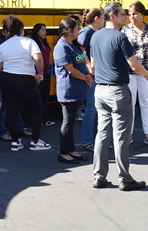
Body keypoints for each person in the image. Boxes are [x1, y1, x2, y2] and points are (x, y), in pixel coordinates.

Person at [89, 2, 148, 191]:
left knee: (102, 135)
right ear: (113, 16)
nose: (126, 17)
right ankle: (125, 178)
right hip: (118, 90)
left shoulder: (94, 36)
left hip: (100, 90)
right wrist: (147, 75)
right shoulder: (120, 37)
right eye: (123, 14)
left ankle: (99, 176)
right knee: (121, 136)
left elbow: (92, 67)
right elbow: (134, 65)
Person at [0, 15, 50, 151]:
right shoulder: (29, 42)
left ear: (7, 31)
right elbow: (38, 59)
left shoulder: (2, 46)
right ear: (22, 30)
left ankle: (15, 141)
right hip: (25, 79)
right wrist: (40, 74)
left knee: (12, 111)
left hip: (7, 79)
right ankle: (35, 141)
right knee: (37, 109)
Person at [122, 2, 148, 146]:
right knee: (130, 104)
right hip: (130, 73)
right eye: (129, 14)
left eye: (134, 13)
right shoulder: (124, 30)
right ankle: (130, 135)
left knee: (146, 103)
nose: (131, 17)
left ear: (142, 14)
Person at [54, 17, 91, 164]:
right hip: (68, 90)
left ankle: (71, 150)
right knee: (67, 121)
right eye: (77, 28)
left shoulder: (74, 45)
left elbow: (82, 60)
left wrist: (87, 74)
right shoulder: (61, 47)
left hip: (77, 89)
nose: (79, 31)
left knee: (71, 122)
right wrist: (86, 78)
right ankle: (63, 153)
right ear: (69, 31)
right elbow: (70, 70)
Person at [0, 30, 29, 141]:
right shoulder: (2, 44)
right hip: (6, 78)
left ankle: (18, 128)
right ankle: (4, 131)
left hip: (10, 78)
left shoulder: (7, 43)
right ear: (3, 32)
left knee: (13, 106)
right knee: (3, 108)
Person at [79, 8, 104, 151]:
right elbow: (80, 50)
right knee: (91, 108)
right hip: (91, 76)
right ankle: (87, 140)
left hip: (96, 75)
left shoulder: (94, 32)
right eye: (102, 18)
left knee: (96, 109)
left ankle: (96, 138)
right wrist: (89, 66)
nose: (103, 21)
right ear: (96, 19)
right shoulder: (87, 32)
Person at [31, 23, 54, 127]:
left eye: (45, 30)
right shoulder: (34, 44)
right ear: (37, 32)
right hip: (38, 74)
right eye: (42, 30)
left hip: (47, 73)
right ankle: (37, 119)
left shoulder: (45, 43)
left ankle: (44, 119)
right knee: (37, 98)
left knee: (45, 97)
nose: (45, 32)